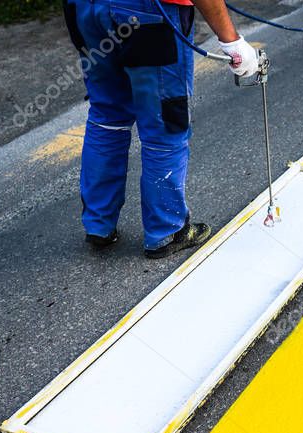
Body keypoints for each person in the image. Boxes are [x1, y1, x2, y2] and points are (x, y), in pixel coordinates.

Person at [64, 0, 261, 258]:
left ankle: (98, 224)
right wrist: (230, 40)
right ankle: (166, 230)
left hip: (85, 10)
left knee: (107, 116)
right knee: (165, 120)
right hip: (144, 14)